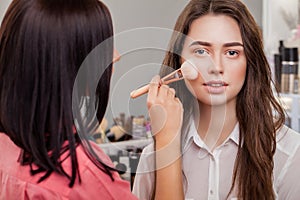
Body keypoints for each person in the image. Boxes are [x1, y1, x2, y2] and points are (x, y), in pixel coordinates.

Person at [133, 0, 300, 199]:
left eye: (232, 52)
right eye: (201, 52)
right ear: (179, 59)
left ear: (250, 62)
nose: (216, 67)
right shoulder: (153, 157)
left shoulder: (290, 153)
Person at [0, 0, 137, 199]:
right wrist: (168, 138)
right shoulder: (82, 175)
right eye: (103, 48)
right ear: (68, 65)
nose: (115, 56)